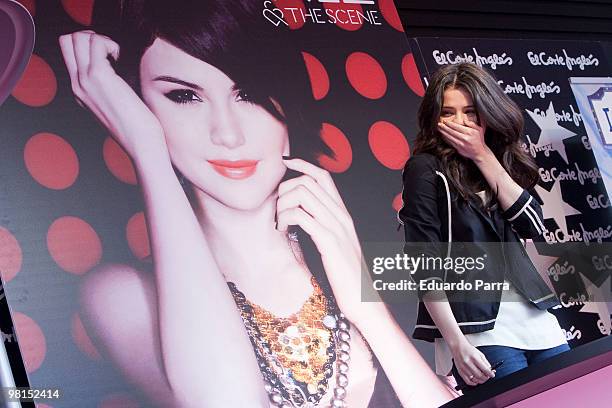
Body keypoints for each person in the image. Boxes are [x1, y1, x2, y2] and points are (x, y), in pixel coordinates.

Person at [58, 1, 454, 407]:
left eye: (246, 92)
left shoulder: (373, 242)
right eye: (183, 96)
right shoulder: (126, 298)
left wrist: (365, 308)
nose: (227, 134)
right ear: (136, 107)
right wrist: (147, 149)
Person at [398, 62, 570, 393]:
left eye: (470, 112)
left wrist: (482, 156)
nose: (460, 122)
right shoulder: (424, 169)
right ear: (434, 117)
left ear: (486, 115)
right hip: (478, 330)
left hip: (536, 319)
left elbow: (532, 224)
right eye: (448, 112)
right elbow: (423, 262)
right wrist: (456, 344)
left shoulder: (498, 161)